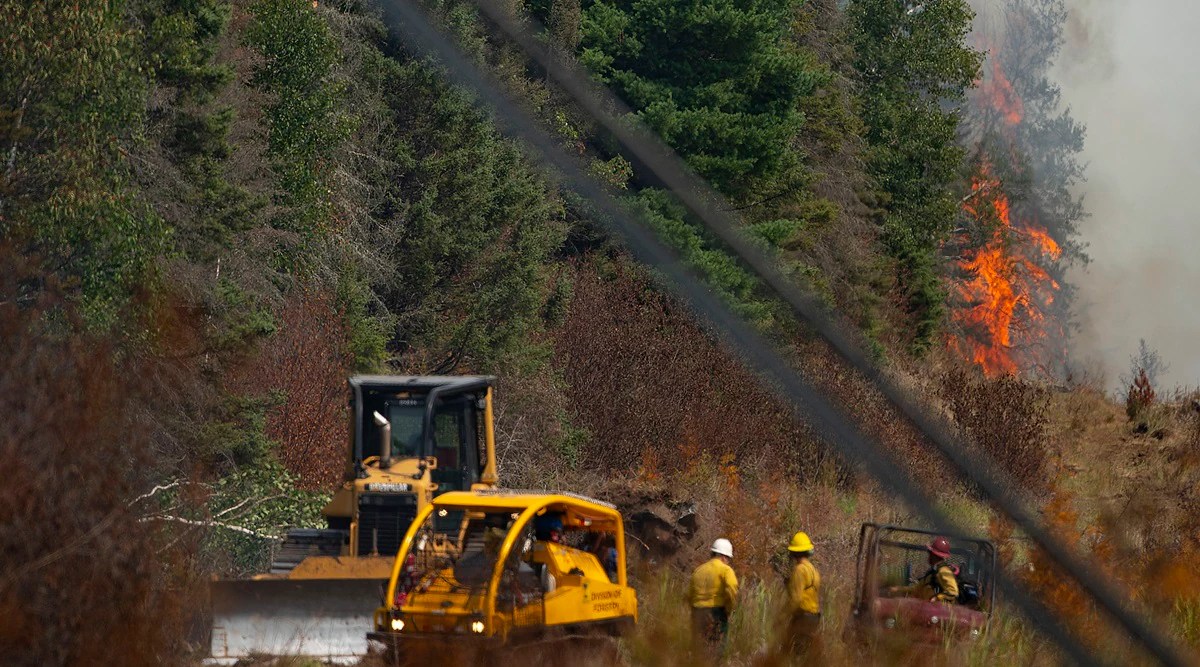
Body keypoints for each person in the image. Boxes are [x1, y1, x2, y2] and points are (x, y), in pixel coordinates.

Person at [689, 538, 739, 647]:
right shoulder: (726, 570)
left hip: (697, 613)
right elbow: (732, 589)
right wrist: (729, 608)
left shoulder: (698, 570)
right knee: (717, 649)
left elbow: (690, 595)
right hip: (717, 613)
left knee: (698, 649)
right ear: (724, 557)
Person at [783, 531, 821, 658]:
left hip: (802, 618)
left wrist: (783, 615)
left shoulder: (799, 570)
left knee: (793, 654)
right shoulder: (813, 570)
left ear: (795, 552)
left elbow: (796, 599)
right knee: (804, 654)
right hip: (814, 618)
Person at [888, 536, 959, 603]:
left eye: (930, 553)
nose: (928, 556)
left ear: (934, 555)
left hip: (939, 612)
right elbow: (916, 588)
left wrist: (937, 598)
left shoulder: (944, 571)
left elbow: (953, 592)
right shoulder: (933, 572)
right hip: (927, 609)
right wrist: (897, 589)